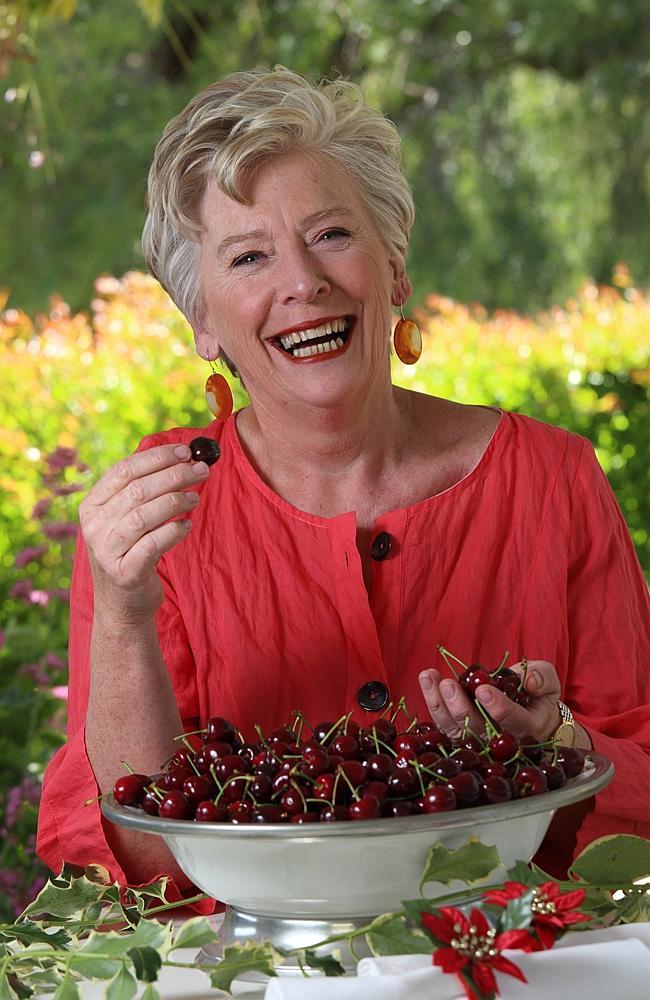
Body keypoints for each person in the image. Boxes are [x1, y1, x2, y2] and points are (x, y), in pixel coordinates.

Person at [37, 67, 650, 902]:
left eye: (330, 235)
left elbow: (640, 798)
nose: (302, 282)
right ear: (204, 324)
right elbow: (148, 868)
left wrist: (557, 738)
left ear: (394, 270)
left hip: (517, 964)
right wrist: (123, 613)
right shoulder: (154, 520)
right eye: (249, 255)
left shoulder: (552, 479)